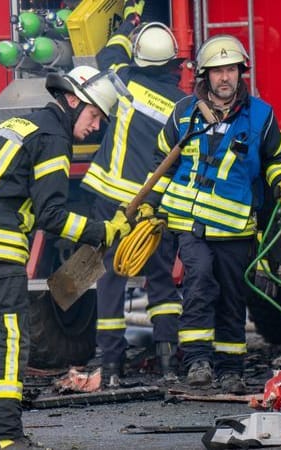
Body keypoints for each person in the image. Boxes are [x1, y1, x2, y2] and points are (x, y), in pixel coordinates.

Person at [0, 65, 132, 450]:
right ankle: (5, 438)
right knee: (11, 339)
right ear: (73, 100)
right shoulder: (53, 138)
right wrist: (103, 231)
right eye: (95, 115)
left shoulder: (24, 125)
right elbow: (52, 216)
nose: (96, 126)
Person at [143, 34, 281, 393]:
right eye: (217, 71)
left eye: (231, 70)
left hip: (235, 227)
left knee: (232, 296)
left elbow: (276, 159)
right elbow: (162, 162)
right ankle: (197, 361)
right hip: (190, 224)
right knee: (198, 284)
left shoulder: (261, 115)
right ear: (205, 76)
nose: (225, 77)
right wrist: (152, 205)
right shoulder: (184, 113)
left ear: (240, 72)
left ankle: (231, 369)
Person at [80, 5, 185, 386]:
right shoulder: (180, 105)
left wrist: (129, 21)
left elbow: (108, 53)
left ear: (140, 57)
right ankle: (168, 363)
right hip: (152, 209)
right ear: (174, 61)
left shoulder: (124, 82)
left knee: (108, 279)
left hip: (111, 203)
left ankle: (110, 368)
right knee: (161, 282)